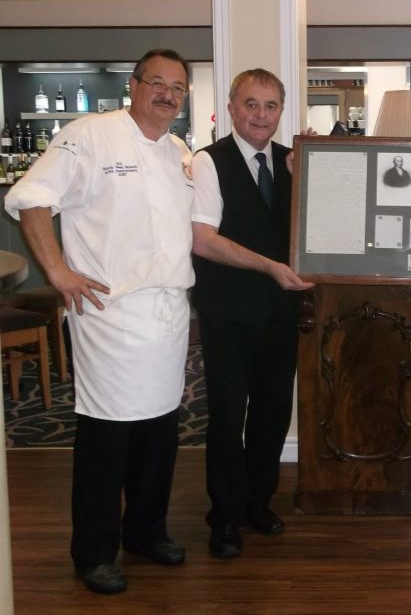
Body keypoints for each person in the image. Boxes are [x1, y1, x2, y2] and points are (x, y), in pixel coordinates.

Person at [5, 49, 195, 595]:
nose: (167, 93)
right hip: (111, 314)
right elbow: (31, 198)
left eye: (177, 86)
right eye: (156, 82)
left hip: (168, 314)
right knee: (107, 434)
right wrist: (60, 272)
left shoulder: (179, 151)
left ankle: (146, 532)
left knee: (160, 429)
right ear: (133, 86)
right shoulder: (89, 134)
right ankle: (94, 551)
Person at [191, 68, 314, 559]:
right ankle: (223, 517)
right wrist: (270, 267)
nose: (261, 115)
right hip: (227, 314)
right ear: (232, 105)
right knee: (225, 417)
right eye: (251, 104)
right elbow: (203, 239)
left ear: (281, 110)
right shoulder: (208, 162)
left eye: (270, 106)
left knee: (271, 414)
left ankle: (257, 503)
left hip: (282, 314)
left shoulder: (293, 162)